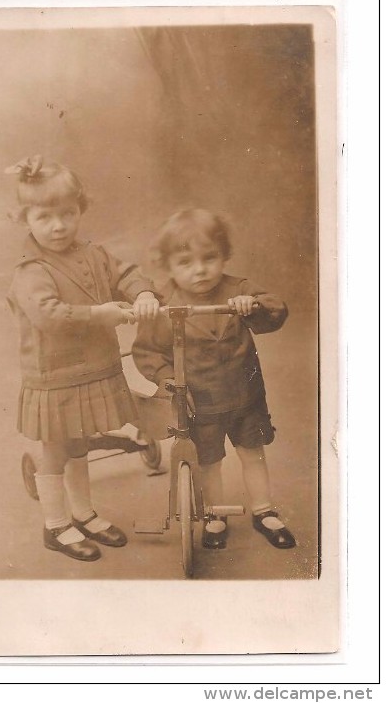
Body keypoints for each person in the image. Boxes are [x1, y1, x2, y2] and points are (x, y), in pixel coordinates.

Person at [6, 155, 159, 562]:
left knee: (78, 446)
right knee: (57, 449)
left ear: (80, 211)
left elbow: (125, 273)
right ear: (26, 219)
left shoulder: (94, 253)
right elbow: (49, 316)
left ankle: (83, 513)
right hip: (54, 373)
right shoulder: (30, 271)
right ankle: (56, 526)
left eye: (67, 214)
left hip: (90, 367)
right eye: (44, 216)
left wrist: (142, 292)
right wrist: (101, 314)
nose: (58, 226)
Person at [132, 208, 296, 551]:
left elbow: (275, 310)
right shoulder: (165, 303)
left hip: (245, 396)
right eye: (185, 261)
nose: (200, 269)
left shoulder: (237, 289)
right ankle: (214, 515)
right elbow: (148, 353)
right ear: (168, 266)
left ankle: (264, 511)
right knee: (208, 460)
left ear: (224, 256)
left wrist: (252, 304)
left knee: (253, 452)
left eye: (210, 258)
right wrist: (169, 383)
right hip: (198, 400)